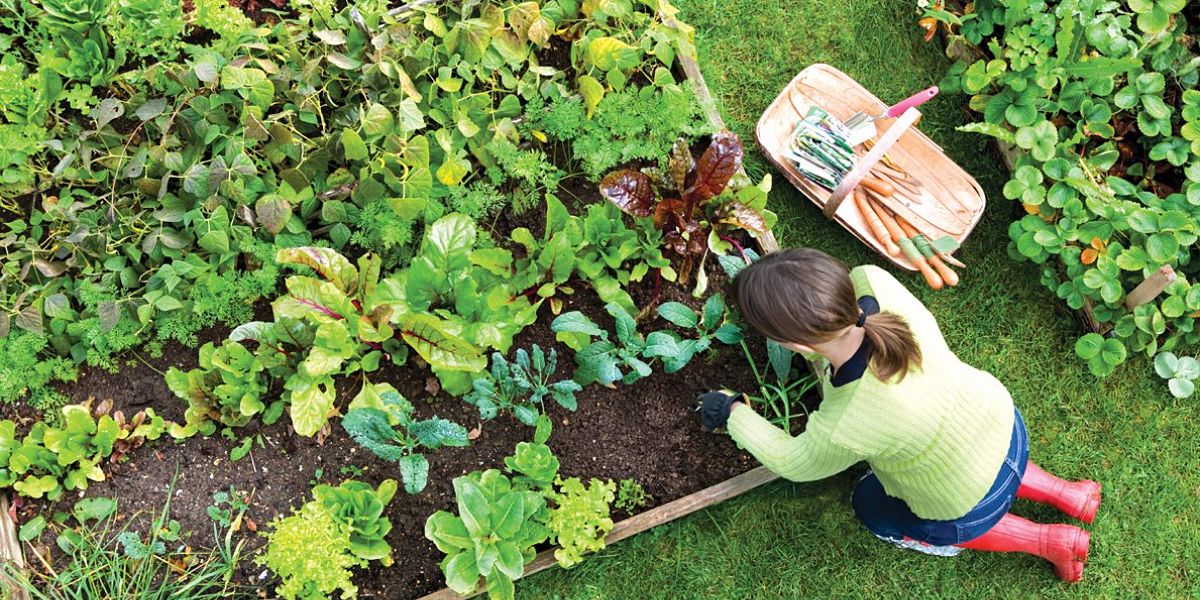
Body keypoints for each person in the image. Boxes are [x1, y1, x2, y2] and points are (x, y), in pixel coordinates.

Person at [698, 248, 1101, 582]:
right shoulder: (874, 282)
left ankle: (1050, 541)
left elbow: (794, 461)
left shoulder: (847, 421)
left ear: (793, 344)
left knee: (870, 506)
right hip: (1001, 422)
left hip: (964, 499)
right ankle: (1070, 494)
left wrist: (731, 412)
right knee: (978, 457)